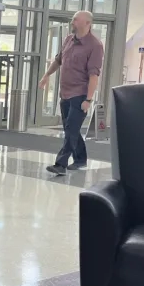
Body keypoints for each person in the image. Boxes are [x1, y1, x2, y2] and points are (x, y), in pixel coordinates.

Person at [39, 11, 104, 175]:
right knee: (71, 129)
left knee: (71, 128)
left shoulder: (95, 46)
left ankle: (60, 164)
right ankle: (81, 159)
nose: (72, 21)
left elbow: (93, 75)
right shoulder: (68, 39)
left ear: (87, 23)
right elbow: (58, 60)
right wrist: (46, 75)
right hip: (65, 93)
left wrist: (88, 100)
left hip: (80, 94)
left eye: (76, 19)